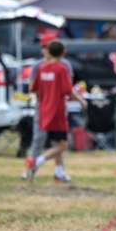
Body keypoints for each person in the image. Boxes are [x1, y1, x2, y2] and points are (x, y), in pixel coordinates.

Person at [26, 40, 87, 183]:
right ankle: (37, 161)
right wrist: (82, 101)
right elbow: (68, 91)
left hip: (43, 110)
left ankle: (59, 173)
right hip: (57, 111)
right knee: (63, 145)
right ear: (63, 53)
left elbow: (33, 88)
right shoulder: (61, 69)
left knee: (55, 142)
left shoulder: (41, 68)